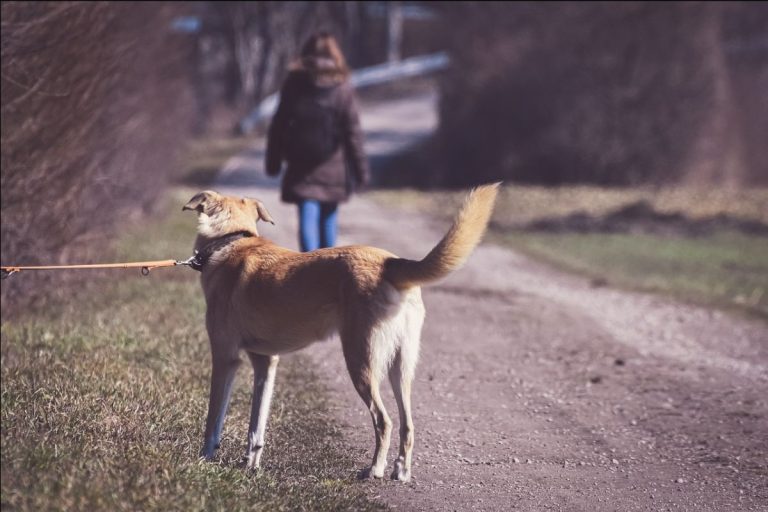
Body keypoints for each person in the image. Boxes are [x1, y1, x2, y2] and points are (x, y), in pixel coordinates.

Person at [265, 32, 369, 252]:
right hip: (333, 165)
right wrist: (360, 171)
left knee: (307, 217)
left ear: (306, 54)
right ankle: (328, 269)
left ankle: (308, 268)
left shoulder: (294, 83)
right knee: (328, 219)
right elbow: (353, 133)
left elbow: (279, 124)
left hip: (301, 164)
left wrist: (273, 160)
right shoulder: (343, 86)